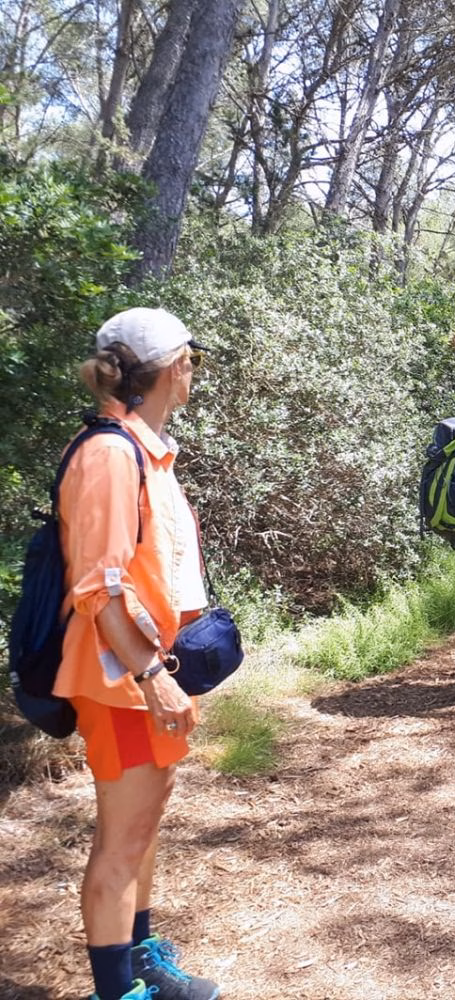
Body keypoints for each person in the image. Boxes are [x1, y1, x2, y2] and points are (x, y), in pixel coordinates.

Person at [55, 308, 219, 1000]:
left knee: (143, 823)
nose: (194, 373)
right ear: (171, 368)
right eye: (192, 360)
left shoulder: (143, 447)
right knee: (121, 840)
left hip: (144, 672)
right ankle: (115, 989)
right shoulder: (111, 455)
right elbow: (101, 588)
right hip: (121, 677)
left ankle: (140, 956)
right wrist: (153, 677)